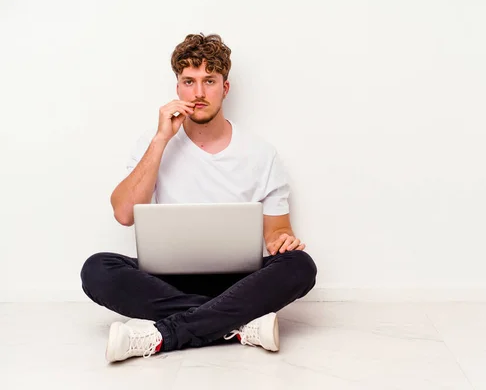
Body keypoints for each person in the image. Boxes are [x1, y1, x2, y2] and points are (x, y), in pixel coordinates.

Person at [80, 33, 318, 363]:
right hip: (166, 281)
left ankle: (163, 334)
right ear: (177, 87)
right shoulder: (153, 144)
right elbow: (123, 213)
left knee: (299, 266)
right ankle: (237, 326)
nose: (199, 93)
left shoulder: (261, 154)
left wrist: (283, 241)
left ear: (225, 87)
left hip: (238, 283)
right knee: (97, 269)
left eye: (210, 80)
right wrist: (162, 138)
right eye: (189, 81)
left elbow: (277, 232)